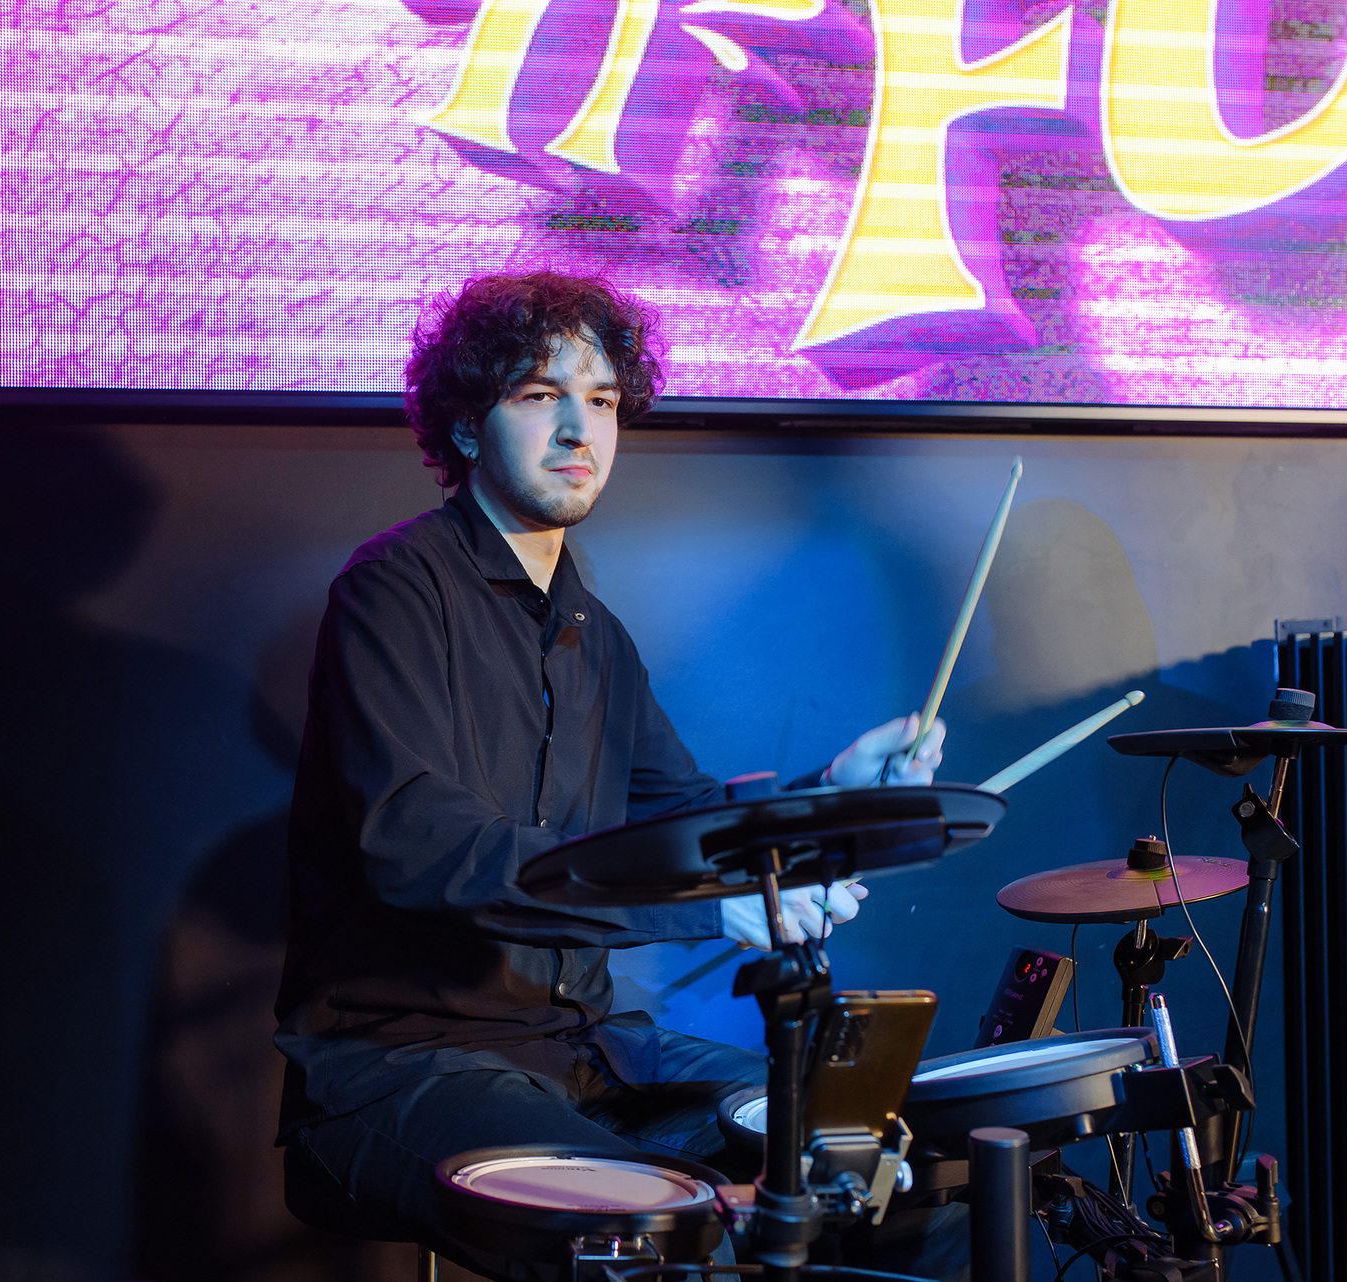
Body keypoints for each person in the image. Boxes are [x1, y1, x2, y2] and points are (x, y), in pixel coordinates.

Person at [274, 271, 943, 1278]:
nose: (578, 430)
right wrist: (697, 906)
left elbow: (682, 812)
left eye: (601, 400)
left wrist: (833, 791)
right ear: (465, 426)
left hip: (592, 1052)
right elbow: (418, 846)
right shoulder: (393, 592)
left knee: (859, 1162)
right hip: (401, 1064)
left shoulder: (597, 635)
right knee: (654, 1241)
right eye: (540, 395)